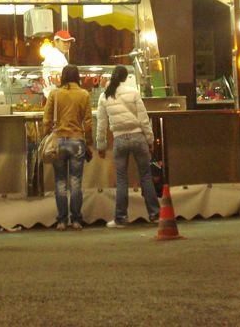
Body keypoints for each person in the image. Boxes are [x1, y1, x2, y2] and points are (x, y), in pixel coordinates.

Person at [95, 64, 160, 227]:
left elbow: (101, 123)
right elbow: (144, 119)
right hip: (138, 137)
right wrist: (150, 140)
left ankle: (121, 217)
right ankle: (155, 214)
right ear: (126, 78)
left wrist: (101, 145)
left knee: (122, 179)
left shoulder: (105, 96)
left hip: (120, 140)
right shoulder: (133, 92)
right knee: (145, 177)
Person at [42, 64, 94, 230]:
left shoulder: (55, 94)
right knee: (76, 181)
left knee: (60, 181)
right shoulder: (84, 94)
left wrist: (46, 134)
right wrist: (90, 142)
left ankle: (62, 221)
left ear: (63, 77)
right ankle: (77, 220)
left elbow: (46, 120)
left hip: (58, 141)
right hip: (77, 141)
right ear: (77, 76)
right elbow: (88, 122)